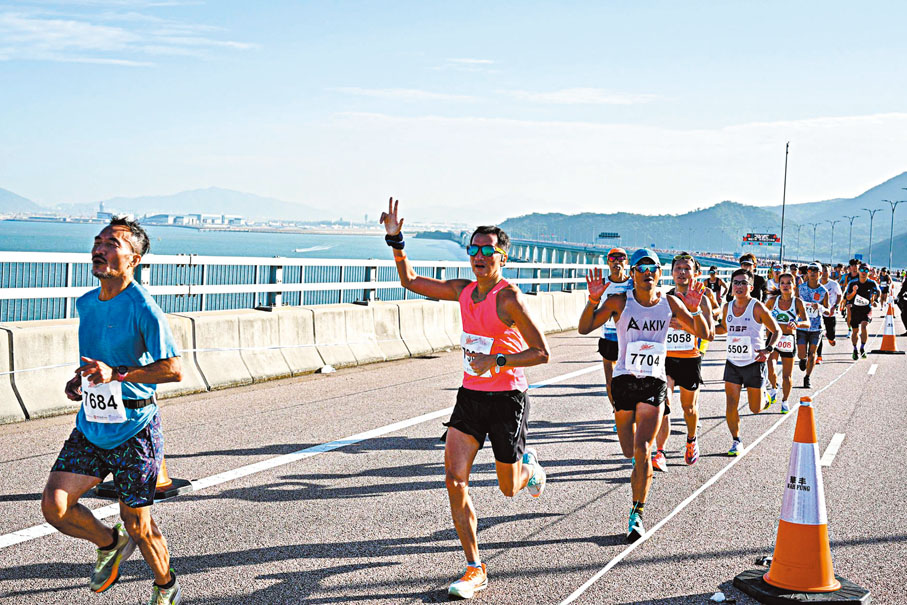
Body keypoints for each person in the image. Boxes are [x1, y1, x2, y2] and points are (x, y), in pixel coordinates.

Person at [380, 198, 550, 600]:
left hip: (508, 398)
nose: (478, 255)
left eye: (486, 250)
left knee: (509, 489)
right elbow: (411, 281)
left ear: (502, 257)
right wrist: (396, 240)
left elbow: (542, 352)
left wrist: (497, 359)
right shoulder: (463, 290)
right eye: (472, 248)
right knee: (455, 480)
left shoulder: (510, 299)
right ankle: (475, 567)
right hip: (470, 398)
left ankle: (530, 469)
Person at [41, 217, 183, 605]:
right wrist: (82, 380)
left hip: (135, 428)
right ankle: (109, 542)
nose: (99, 248)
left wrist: (116, 374)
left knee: (139, 524)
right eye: (98, 240)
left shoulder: (144, 308)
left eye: (112, 243)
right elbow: (98, 360)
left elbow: (173, 370)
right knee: (55, 506)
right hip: (92, 423)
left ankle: (166, 584)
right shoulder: (86, 303)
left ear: (134, 258)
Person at [579, 249, 711, 542]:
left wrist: (695, 308)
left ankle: (637, 512)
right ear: (634, 274)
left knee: (643, 451)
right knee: (629, 451)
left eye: (653, 267)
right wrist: (592, 300)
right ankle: (636, 476)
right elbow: (584, 327)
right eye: (641, 267)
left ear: (659, 274)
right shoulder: (619, 301)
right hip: (624, 380)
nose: (647, 272)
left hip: (654, 383)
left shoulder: (670, 303)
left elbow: (707, 334)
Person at [653, 253, 715, 468]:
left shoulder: (703, 299)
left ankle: (691, 440)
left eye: (686, 268)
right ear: (671, 273)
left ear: (695, 273)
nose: (682, 272)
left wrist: (683, 322)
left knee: (689, 408)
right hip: (666, 359)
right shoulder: (664, 298)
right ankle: (660, 452)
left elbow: (710, 334)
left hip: (690, 359)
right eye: (678, 268)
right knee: (663, 402)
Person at [716, 268, 780, 456]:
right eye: (736, 282)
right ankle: (736, 440)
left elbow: (776, 331)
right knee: (731, 403)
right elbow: (723, 328)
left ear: (751, 287)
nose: (739, 286)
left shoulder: (757, 307)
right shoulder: (727, 307)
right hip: (733, 363)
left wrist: (768, 350)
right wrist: (704, 330)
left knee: (755, 408)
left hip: (754, 362)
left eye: (744, 282)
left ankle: (766, 397)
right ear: (731, 287)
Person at [595, 248, 633, 420]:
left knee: (629, 381)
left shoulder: (633, 283)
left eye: (621, 258)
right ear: (608, 262)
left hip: (630, 337)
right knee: (611, 382)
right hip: (609, 337)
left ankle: (629, 412)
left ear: (626, 262)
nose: (617, 262)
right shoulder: (601, 284)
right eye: (613, 258)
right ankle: (617, 413)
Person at [765, 273, 809, 413]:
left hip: (788, 340)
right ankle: (773, 387)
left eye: (789, 283)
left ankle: (785, 401)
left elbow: (807, 323)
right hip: (773, 338)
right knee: (770, 367)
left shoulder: (797, 302)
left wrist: (797, 323)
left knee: (787, 375)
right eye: (782, 283)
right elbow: (761, 315)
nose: (785, 285)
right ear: (779, 285)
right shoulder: (773, 300)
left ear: (793, 286)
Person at [796, 262, 829, 388]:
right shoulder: (801, 288)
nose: (813, 273)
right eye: (810, 271)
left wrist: (820, 307)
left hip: (816, 327)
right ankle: (802, 359)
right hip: (802, 325)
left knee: (812, 353)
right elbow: (794, 304)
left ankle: (807, 377)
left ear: (820, 274)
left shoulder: (823, 291)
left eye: (816, 271)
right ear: (807, 273)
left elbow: (828, 310)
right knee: (801, 353)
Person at [844, 263, 880, 360]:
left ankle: (862, 347)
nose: (864, 272)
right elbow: (847, 297)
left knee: (864, 325)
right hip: (855, 309)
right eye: (862, 270)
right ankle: (855, 349)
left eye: (866, 270)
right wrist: (854, 292)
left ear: (869, 272)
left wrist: (875, 300)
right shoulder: (852, 283)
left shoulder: (872, 283)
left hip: (866, 309)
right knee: (855, 331)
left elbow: (878, 292)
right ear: (859, 271)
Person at [816, 264, 842, 359]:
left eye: (826, 271)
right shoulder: (816, 283)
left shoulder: (833, 284)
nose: (824, 273)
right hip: (818, 311)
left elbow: (839, 295)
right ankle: (819, 356)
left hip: (830, 311)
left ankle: (829, 336)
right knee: (818, 332)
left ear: (830, 272)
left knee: (831, 334)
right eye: (822, 271)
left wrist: (835, 306)